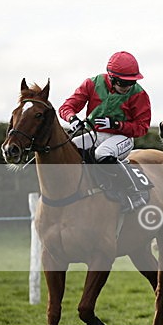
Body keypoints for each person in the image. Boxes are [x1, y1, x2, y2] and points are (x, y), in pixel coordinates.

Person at [58, 51, 151, 213]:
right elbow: (66, 107)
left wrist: (117, 125)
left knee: (102, 153)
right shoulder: (92, 84)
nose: (128, 87)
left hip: (123, 138)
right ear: (111, 78)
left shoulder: (139, 94)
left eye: (132, 82)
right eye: (124, 83)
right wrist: (72, 119)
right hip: (96, 135)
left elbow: (142, 127)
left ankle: (134, 192)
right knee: (69, 149)